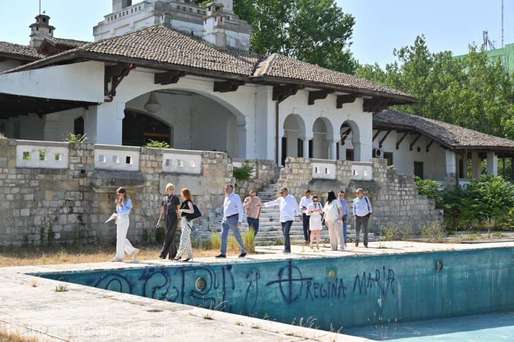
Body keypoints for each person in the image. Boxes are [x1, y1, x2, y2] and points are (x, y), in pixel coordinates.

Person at [263, 188, 299, 254]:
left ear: (286, 192)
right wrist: (264, 204)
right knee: (285, 234)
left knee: (286, 233)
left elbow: (296, 205)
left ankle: (287, 249)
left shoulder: (292, 198)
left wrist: (298, 214)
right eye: (281, 193)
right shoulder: (280, 199)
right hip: (282, 219)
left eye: (282, 193)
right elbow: (273, 202)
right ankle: (287, 248)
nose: (281, 194)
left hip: (289, 218)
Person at [216, 184, 247, 258]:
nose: (226, 189)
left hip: (233, 218)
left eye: (227, 188)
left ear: (232, 189)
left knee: (237, 235)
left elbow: (240, 208)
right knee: (223, 236)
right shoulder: (226, 197)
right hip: (225, 219)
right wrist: (223, 218)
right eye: (225, 188)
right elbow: (225, 209)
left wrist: (240, 220)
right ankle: (223, 253)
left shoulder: (236, 197)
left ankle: (243, 251)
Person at [112, 187, 139, 262]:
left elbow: (127, 211)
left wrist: (121, 204)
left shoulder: (128, 200)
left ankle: (122, 255)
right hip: (119, 220)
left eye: (119, 193)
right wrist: (115, 215)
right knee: (119, 238)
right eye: (118, 194)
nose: (118, 195)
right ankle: (120, 255)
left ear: (123, 193)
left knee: (122, 238)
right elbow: (118, 211)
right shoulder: (118, 200)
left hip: (125, 219)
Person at [158, 183, 181, 260]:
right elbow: (162, 211)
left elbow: (178, 210)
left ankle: (163, 254)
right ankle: (173, 254)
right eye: (169, 189)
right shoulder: (164, 199)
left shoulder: (175, 198)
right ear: (166, 190)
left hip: (174, 219)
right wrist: (159, 220)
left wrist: (180, 220)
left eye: (172, 189)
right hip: (166, 219)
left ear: (173, 190)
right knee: (171, 237)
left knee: (169, 236)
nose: (170, 190)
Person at [175, 188, 195, 262]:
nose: (181, 194)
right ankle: (189, 256)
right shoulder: (184, 202)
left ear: (184, 194)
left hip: (188, 222)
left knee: (183, 239)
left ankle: (178, 255)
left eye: (182, 193)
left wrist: (182, 210)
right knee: (187, 240)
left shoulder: (189, 202)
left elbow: (192, 211)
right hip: (183, 221)